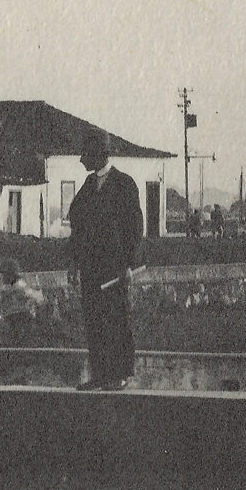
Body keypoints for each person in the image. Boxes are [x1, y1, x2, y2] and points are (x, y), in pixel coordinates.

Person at [66, 134, 145, 390]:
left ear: (100, 154)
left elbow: (135, 228)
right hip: (90, 268)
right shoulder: (88, 186)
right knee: (94, 320)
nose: (81, 160)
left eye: (86, 154)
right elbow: (77, 226)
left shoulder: (124, 184)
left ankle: (121, 374)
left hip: (115, 268)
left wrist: (129, 264)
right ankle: (100, 375)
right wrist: (73, 263)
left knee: (117, 318)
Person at [0, 259, 46, 341]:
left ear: (10, 274)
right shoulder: (8, 287)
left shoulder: (20, 285)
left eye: (4, 274)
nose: (2, 277)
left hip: (20, 319)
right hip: (13, 320)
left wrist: (29, 302)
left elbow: (38, 298)